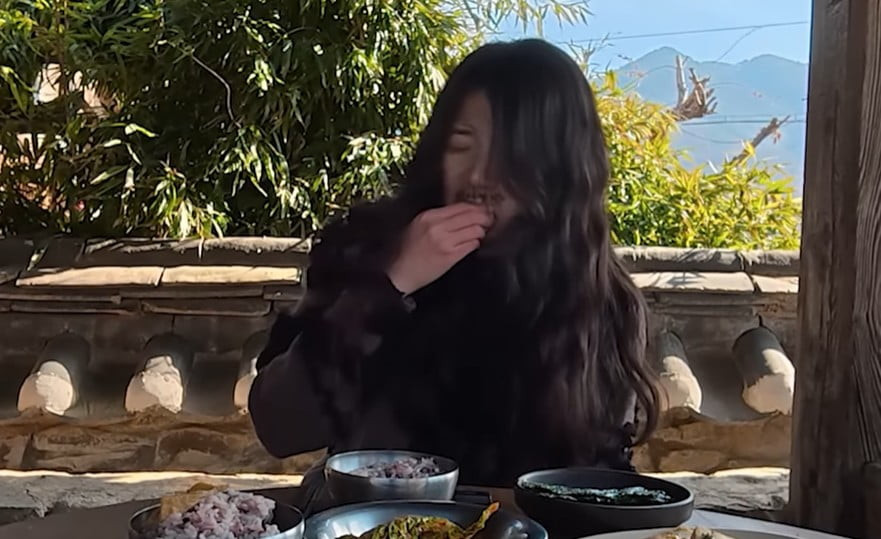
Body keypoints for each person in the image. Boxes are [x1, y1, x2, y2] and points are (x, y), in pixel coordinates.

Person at [249, 39, 660, 504]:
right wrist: (389, 285)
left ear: (560, 167)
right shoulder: (367, 248)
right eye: (461, 144)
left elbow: (598, 480)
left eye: (510, 152)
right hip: (372, 524)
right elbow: (279, 426)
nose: (479, 176)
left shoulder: (600, 299)